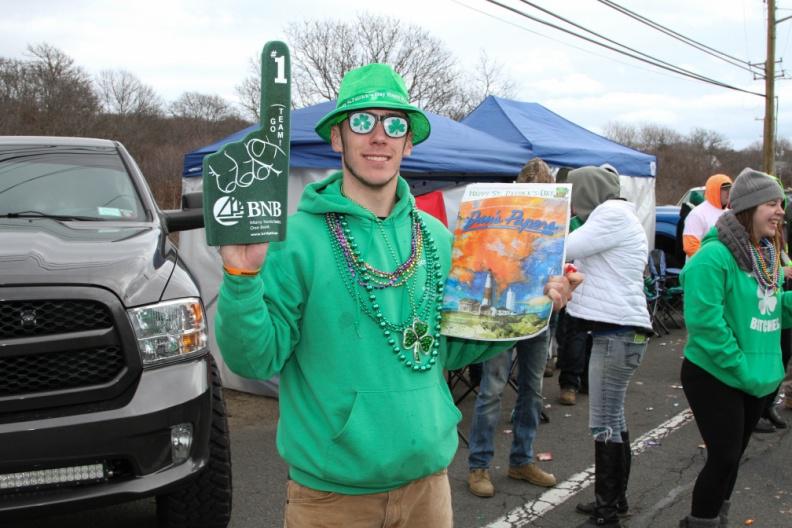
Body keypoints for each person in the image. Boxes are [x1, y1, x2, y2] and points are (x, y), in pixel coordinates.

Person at [214, 63, 579, 527]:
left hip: (428, 489)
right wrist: (241, 277)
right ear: (337, 138)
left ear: (408, 141)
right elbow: (254, 359)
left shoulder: (439, 238)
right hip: (332, 500)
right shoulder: (295, 239)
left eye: (394, 123)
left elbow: (453, 348)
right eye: (362, 122)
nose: (379, 136)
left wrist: (531, 306)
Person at [678, 168, 791, 527]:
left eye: (782, 204)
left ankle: (717, 520)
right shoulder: (713, 257)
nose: (780, 211)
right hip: (716, 373)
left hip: (757, 376)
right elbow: (706, 325)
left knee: (734, 458)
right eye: (772, 203)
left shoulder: (766, 253)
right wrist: (741, 368)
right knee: (723, 457)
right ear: (748, 206)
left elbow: (770, 308)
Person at [562, 166, 652, 528]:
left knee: (604, 423)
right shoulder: (614, 215)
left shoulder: (610, 214)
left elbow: (565, 245)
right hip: (616, 333)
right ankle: (616, 500)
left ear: (586, 192)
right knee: (613, 420)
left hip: (618, 333)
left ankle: (607, 510)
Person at [466, 157, 558, 498]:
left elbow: (559, 260)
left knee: (531, 391)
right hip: (502, 315)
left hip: (538, 314)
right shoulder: (502, 218)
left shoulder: (554, 218)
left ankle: (521, 459)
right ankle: (479, 466)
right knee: (491, 391)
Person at [682, 173, 732, 259]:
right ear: (714, 190)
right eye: (724, 189)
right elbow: (690, 247)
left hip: (724, 268)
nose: (728, 192)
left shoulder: (730, 214)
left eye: (730, 188)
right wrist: (714, 261)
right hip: (702, 268)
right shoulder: (697, 214)